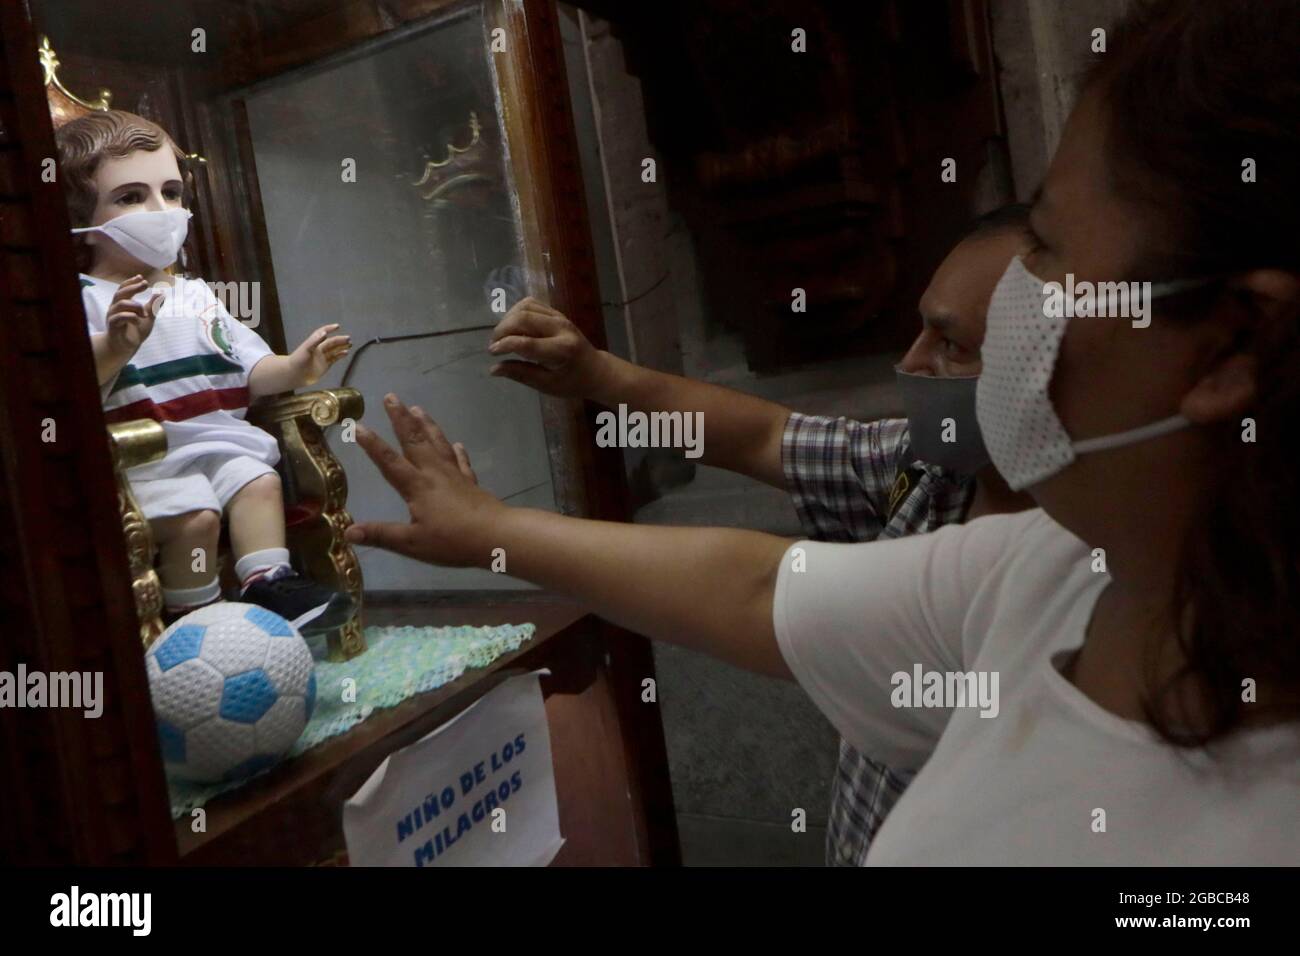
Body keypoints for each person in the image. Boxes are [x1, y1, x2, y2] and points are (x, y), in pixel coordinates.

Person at [345, 0, 1300, 863]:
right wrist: (492, 522)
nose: (1004, 317)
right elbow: (759, 583)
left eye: (1047, 252)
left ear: (1230, 345)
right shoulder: (1048, 569)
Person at [483, 205, 1033, 865]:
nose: (911, 362)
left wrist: (487, 530)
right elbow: (767, 438)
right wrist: (596, 377)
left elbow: (756, 588)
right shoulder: (927, 473)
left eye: (950, 344)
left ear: (1047, 364)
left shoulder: (1073, 565)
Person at [58, 110, 354, 632]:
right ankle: (198, 622)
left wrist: (297, 367)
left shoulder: (196, 295)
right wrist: (116, 345)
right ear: (81, 214)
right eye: (130, 197)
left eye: (171, 192)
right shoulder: (85, 300)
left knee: (259, 481)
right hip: (145, 460)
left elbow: (247, 367)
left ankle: (269, 583)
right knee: (196, 518)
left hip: (217, 444)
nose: (161, 211)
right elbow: (76, 384)